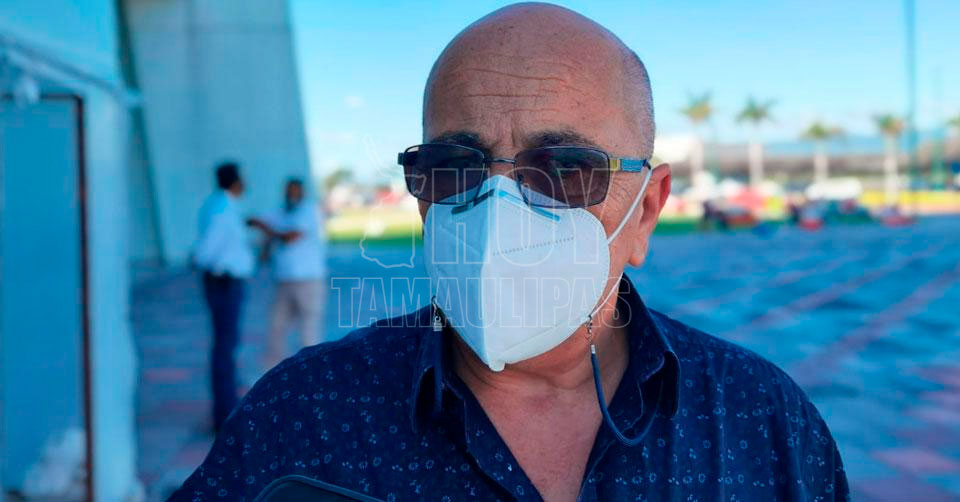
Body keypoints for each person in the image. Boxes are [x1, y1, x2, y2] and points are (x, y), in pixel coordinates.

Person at [171, 4, 848, 501]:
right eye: (454, 166)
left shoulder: (763, 424)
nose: (498, 211)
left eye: (564, 168)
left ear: (645, 209)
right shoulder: (301, 417)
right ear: (421, 195)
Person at [191, 162, 254, 432]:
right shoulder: (221, 208)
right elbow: (207, 249)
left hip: (225, 281)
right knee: (225, 348)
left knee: (226, 346)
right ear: (236, 181)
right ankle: (225, 414)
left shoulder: (222, 204)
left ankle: (226, 409)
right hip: (224, 282)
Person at [249, 178, 328, 370]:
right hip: (284, 281)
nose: (291, 194)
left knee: (309, 331)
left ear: (302, 192)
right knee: (276, 328)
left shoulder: (309, 210)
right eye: (288, 191)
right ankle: (273, 372)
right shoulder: (279, 212)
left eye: (295, 191)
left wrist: (265, 228)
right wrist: (265, 241)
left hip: (309, 281)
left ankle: (313, 372)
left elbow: (291, 237)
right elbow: (253, 221)